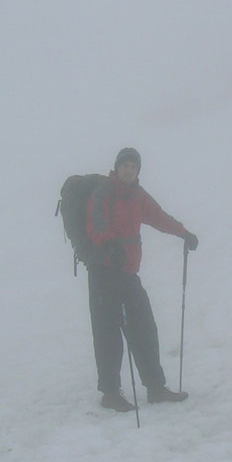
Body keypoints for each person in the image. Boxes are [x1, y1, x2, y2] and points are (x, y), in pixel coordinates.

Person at [85, 147, 199, 411]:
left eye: (133, 167)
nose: (129, 170)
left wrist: (184, 233)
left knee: (144, 328)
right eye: (125, 165)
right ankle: (110, 393)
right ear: (117, 167)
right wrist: (109, 244)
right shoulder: (104, 190)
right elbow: (95, 223)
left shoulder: (138, 196)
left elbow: (158, 217)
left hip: (127, 273)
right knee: (108, 334)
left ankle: (155, 388)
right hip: (103, 271)